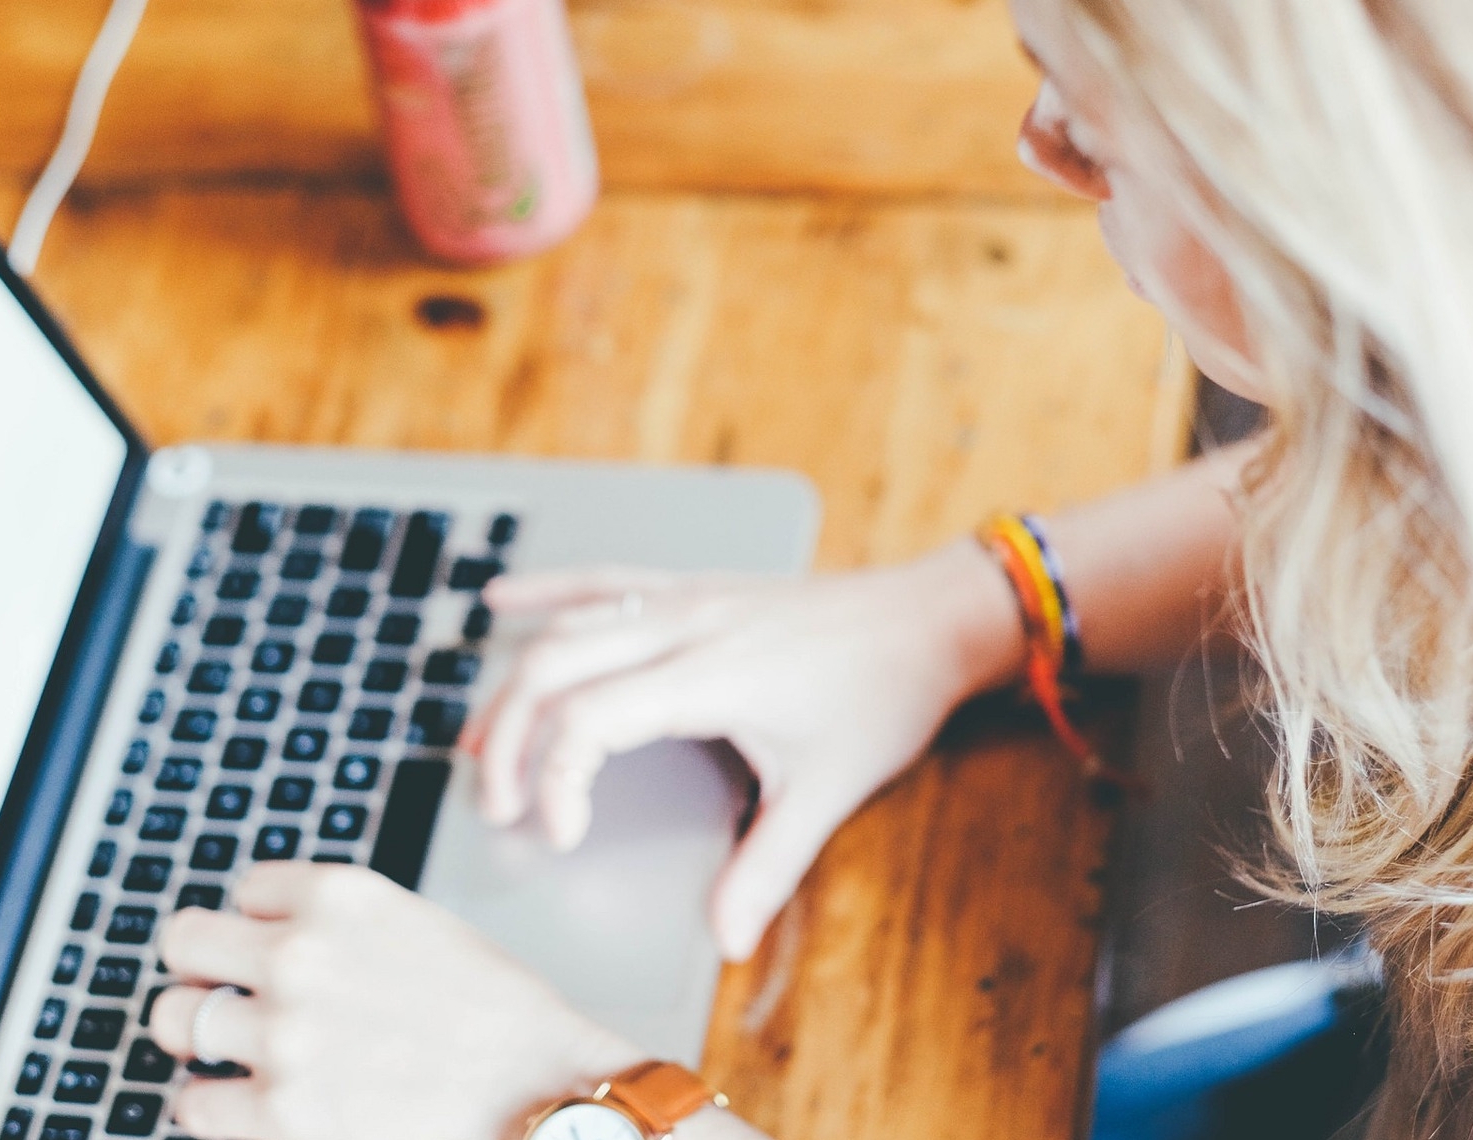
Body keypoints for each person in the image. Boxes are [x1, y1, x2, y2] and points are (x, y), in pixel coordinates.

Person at [145, 1, 1473, 1137]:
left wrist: (554, 1097)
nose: (1037, 150)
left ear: (1326, 236)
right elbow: (1407, 460)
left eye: (1090, 129)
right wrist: (965, 611)